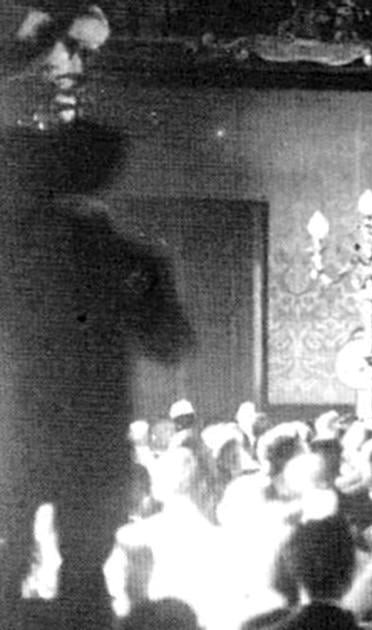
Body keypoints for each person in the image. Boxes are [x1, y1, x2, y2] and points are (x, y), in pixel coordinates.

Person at [0, 6, 194, 627]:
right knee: (86, 573)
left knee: (8, 559)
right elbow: (170, 343)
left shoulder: (11, 251)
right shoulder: (130, 259)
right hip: (93, 440)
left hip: (17, 433)